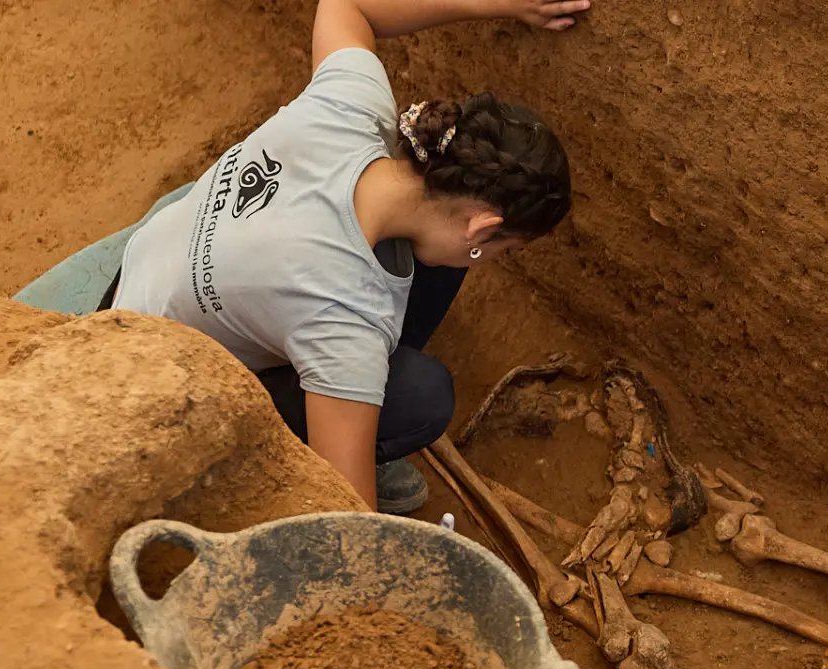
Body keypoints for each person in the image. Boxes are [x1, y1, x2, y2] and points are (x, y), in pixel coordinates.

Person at [109, 0, 586, 512]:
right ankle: (294, 451)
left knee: (443, 259)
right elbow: (344, 513)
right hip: (148, 391)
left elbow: (346, 3)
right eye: (504, 249)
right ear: (484, 226)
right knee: (421, 396)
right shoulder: (344, 317)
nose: (493, 257)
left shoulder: (352, 104)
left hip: (140, 280)